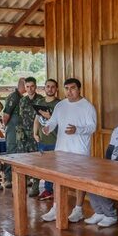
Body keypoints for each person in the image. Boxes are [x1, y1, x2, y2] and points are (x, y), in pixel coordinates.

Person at [40, 78, 97, 224]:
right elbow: (53, 121)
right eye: (66, 88)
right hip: (61, 149)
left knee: (79, 181)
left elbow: (92, 127)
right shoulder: (60, 105)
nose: (69, 91)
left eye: (72, 88)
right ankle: (56, 207)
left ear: (79, 89)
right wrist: (48, 127)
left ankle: (78, 210)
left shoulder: (87, 107)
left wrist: (78, 130)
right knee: (57, 180)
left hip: (79, 150)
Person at [32, 78, 60, 200]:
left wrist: (50, 116)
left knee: (54, 167)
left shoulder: (59, 104)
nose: (50, 89)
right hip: (42, 140)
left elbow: (61, 122)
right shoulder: (39, 101)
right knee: (45, 167)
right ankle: (48, 190)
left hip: (55, 140)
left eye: (53, 87)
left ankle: (53, 190)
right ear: (44, 88)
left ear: (56, 89)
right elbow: (37, 119)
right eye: (48, 86)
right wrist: (35, 134)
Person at [17, 77, 43, 197]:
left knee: (36, 161)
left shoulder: (41, 100)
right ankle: (24, 184)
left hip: (36, 134)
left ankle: (35, 186)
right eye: (27, 87)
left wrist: (37, 133)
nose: (30, 89)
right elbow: (21, 117)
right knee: (23, 159)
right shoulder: (23, 100)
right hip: (24, 135)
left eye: (32, 86)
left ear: (36, 86)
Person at [1, 77, 26, 189]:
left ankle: (21, 177)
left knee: (21, 151)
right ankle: (8, 178)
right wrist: (5, 126)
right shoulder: (14, 96)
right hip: (12, 127)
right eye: (27, 85)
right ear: (22, 85)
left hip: (20, 129)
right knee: (11, 151)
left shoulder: (22, 97)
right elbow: (6, 114)